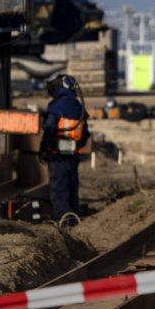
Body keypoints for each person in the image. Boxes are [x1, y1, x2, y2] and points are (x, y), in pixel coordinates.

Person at [41, 74, 91, 222]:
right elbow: (85, 134)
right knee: (72, 186)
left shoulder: (56, 106)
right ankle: (74, 216)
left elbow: (49, 129)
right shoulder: (79, 107)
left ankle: (62, 218)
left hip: (57, 155)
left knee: (59, 188)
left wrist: (44, 149)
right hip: (73, 155)